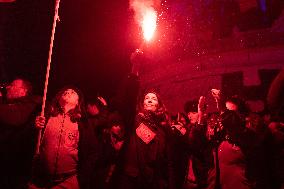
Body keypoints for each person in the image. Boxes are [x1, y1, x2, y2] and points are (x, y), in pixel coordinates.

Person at [29, 86, 98, 189]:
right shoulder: (46, 116)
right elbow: (29, 143)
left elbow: (93, 151)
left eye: (73, 92)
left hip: (68, 181)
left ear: (78, 102)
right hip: (40, 180)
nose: (68, 92)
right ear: (58, 98)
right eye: (65, 91)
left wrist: (82, 178)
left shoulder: (83, 124)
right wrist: (33, 128)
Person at [117, 90, 175, 189]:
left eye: (154, 99)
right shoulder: (136, 120)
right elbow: (126, 105)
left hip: (152, 179)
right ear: (143, 104)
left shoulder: (162, 128)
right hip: (133, 178)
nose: (150, 100)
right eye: (147, 98)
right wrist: (133, 82)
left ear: (158, 105)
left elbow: (164, 156)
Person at [0, 78, 41, 189]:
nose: (8, 87)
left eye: (12, 85)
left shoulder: (31, 104)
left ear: (23, 91)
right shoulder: (7, 103)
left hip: (16, 165)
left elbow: (14, 118)